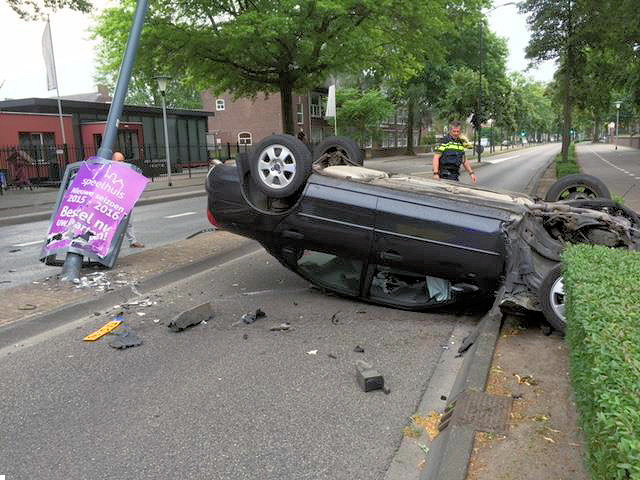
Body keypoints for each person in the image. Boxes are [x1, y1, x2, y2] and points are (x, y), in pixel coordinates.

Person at [112, 151, 145, 248]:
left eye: (123, 160)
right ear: (113, 161)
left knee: (129, 221)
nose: (122, 163)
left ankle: (133, 241)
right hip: (113, 201)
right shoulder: (110, 171)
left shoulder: (126, 171)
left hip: (125, 201)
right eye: (119, 160)